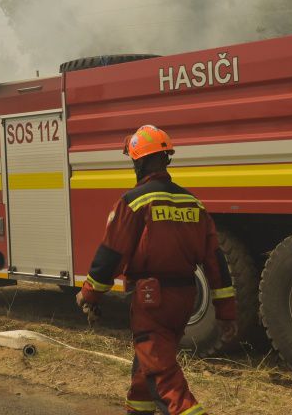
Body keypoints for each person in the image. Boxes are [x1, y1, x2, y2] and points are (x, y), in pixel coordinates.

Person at [75, 125, 237, 415]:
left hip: (152, 301)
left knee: (163, 377)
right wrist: (226, 312)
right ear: (165, 159)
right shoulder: (193, 204)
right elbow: (216, 262)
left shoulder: (134, 202)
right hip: (185, 300)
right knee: (146, 369)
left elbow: (111, 254)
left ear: (138, 162)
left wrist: (89, 294)